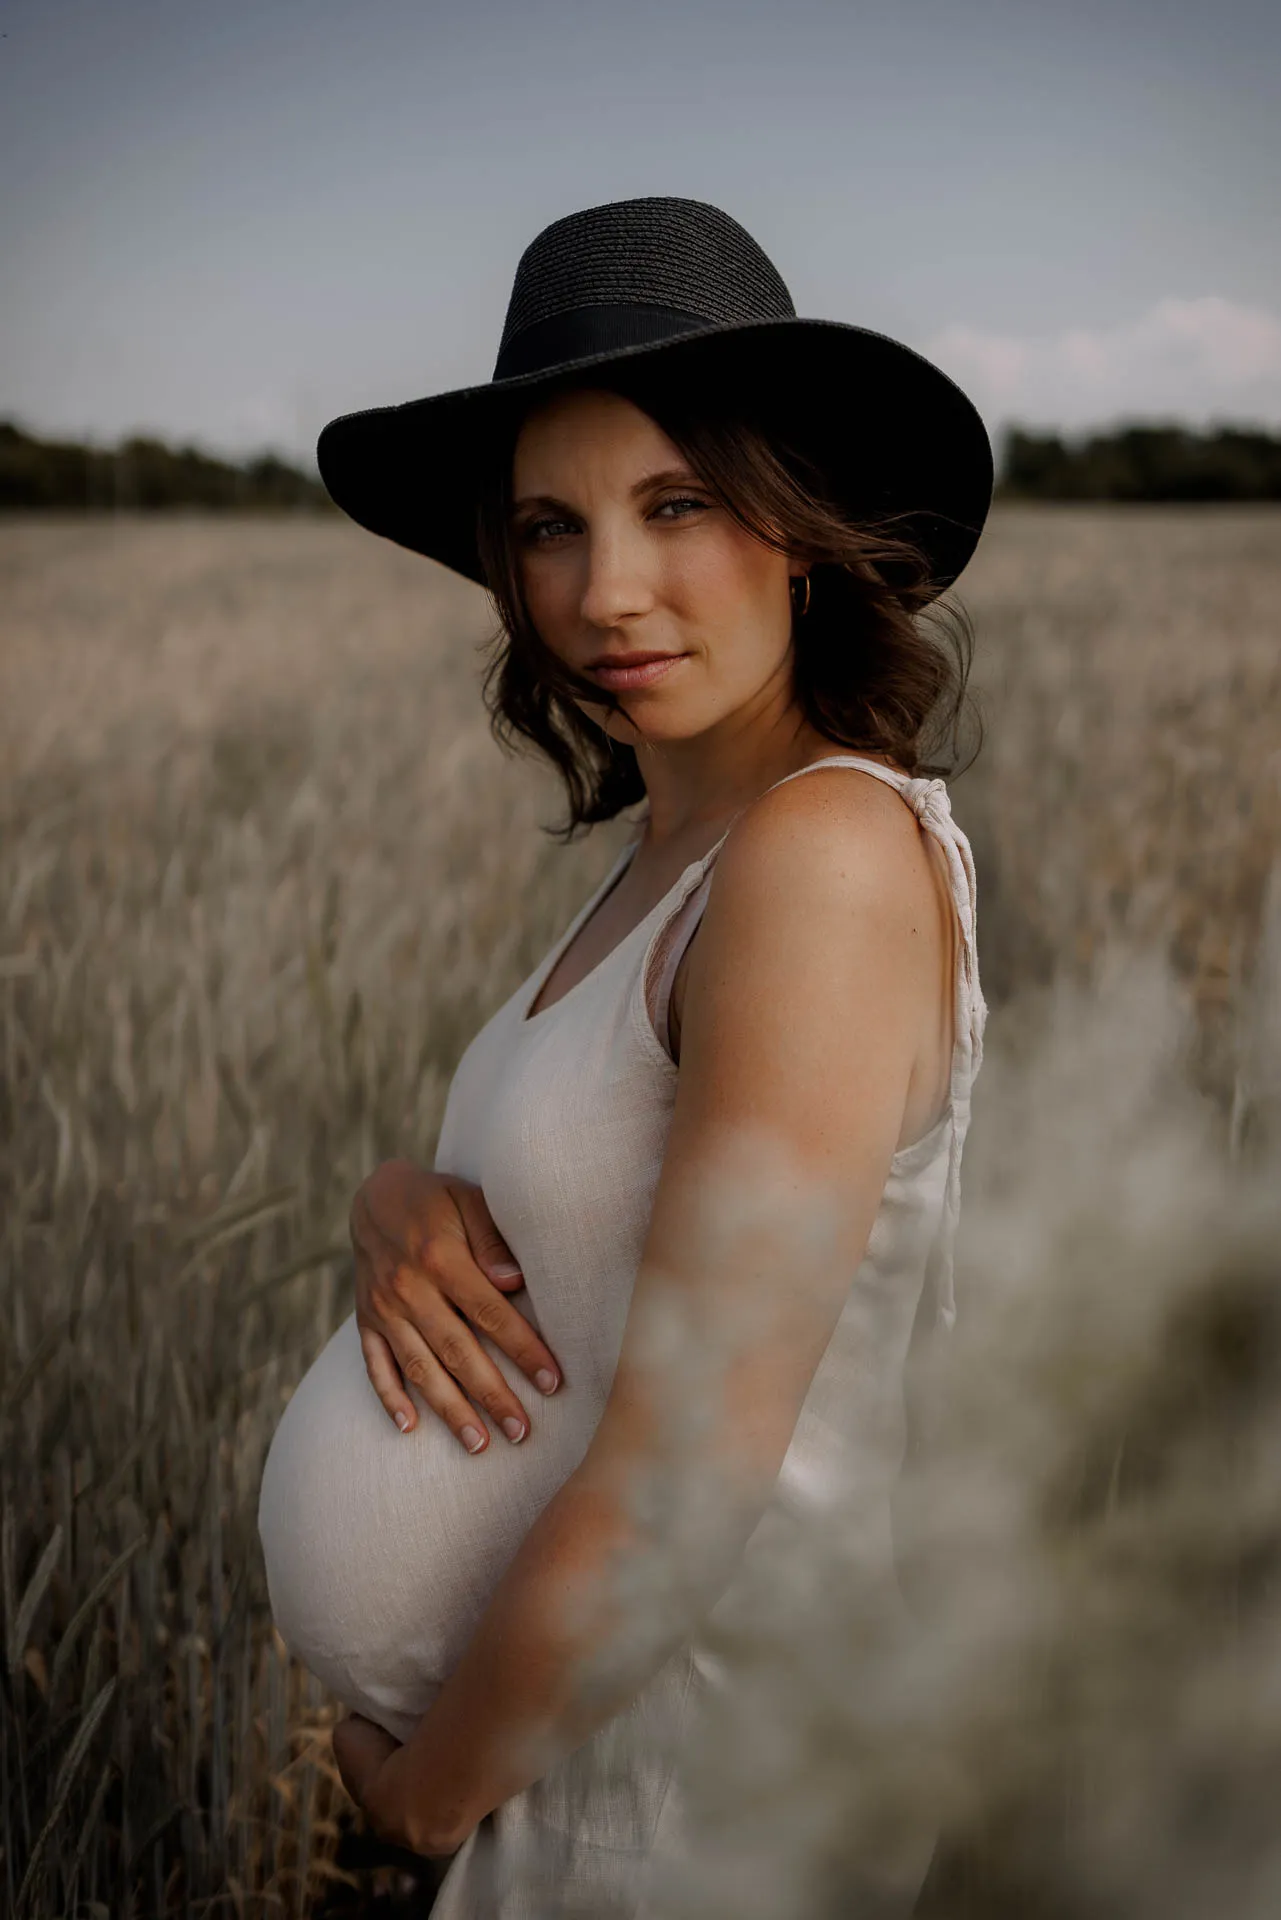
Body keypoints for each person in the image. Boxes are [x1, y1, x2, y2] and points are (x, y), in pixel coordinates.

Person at [257, 194, 991, 1917]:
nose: (607, 590)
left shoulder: (815, 857)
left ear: (801, 525)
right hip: (582, 1775)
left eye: (679, 505)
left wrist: (419, 1806)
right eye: (548, 526)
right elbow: (575, 1245)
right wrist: (393, 1205)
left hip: (685, 1815)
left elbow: (691, 1468)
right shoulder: (677, 861)